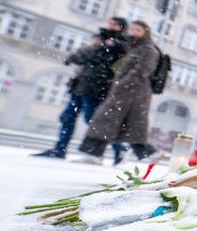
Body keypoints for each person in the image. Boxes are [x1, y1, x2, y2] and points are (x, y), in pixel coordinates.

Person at [34, 17, 129, 164]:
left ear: (121, 27)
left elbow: (102, 59)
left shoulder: (120, 43)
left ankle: (119, 148)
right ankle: (60, 149)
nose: (109, 25)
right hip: (81, 85)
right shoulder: (103, 39)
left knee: (94, 121)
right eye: (109, 23)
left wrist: (97, 48)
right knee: (68, 117)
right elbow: (79, 58)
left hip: (96, 88)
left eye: (114, 24)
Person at [78, 20, 161, 163]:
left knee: (110, 121)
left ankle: (94, 154)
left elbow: (142, 71)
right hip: (125, 92)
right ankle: (148, 153)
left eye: (138, 30)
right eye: (132, 29)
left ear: (145, 33)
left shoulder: (148, 49)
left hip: (134, 93)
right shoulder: (134, 48)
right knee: (125, 125)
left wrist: (122, 84)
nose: (134, 33)